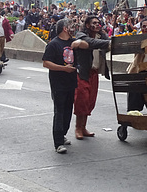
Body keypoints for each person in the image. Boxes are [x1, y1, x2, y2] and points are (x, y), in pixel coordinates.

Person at [42, 18, 84, 154]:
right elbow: (46, 63)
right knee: (59, 112)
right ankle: (58, 142)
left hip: (71, 82)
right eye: (70, 26)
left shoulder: (73, 43)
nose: (73, 28)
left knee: (67, 111)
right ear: (64, 28)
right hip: (58, 83)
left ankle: (63, 133)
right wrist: (63, 68)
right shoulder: (53, 44)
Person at [73, 15, 110, 140]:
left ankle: (83, 127)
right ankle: (78, 127)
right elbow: (91, 43)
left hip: (94, 73)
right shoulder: (81, 35)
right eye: (94, 23)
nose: (97, 25)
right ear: (88, 25)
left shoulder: (101, 36)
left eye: (98, 23)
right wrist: (108, 43)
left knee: (90, 101)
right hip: (83, 73)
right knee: (82, 100)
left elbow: (109, 42)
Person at [127, 18, 147, 112]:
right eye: (144, 26)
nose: (146, 28)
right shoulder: (138, 39)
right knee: (135, 99)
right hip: (138, 71)